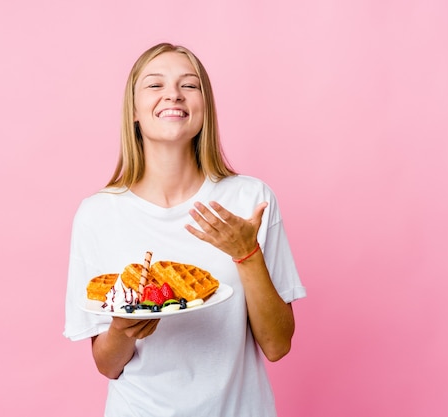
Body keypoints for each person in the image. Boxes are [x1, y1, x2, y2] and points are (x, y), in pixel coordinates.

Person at [63, 42, 307, 417]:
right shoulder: (98, 214)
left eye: (189, 85)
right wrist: (121, 329)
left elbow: (277, 346)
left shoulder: (249, 200)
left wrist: (247, 253)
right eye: (155, 85)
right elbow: (107, 364)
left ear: (204, 107)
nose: (173, 94)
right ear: (133, 110)